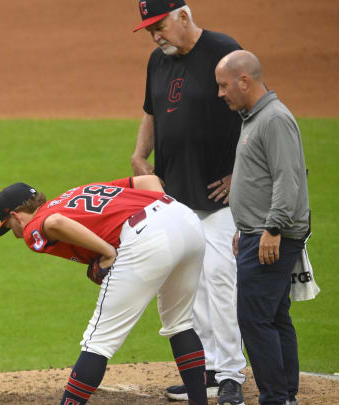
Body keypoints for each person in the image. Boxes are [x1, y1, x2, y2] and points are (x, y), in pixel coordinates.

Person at [0, 175, 209, 405]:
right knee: (179, 323)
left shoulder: (34, 224)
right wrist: (163, 219)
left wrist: (108, 253)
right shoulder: (75, 192)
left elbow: (55, 223)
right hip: (185, 220)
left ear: (15, 215)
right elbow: (148, 180)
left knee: (97, 343)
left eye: (9, 227)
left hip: (146, 237)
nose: (15, 234)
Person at [131, 1, 247, 403]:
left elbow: (253, 112)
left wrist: (241, 173)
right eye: (149, 30)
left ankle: (232, 373)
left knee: (220, 280)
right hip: (175, 194)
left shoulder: (222, 50)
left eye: (159, 25)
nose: (155, 35)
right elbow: (152, 112)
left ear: (183, 16)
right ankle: (210, 368)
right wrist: (139, 155)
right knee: (191, 284)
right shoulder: (157, 61)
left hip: (219, 194)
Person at [216, 50, 310, 405]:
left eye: (224, 85)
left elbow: (289, 180)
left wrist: (271, 228)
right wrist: (247, 227)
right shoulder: (254, 116)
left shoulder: (273, 119)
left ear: (245, 80)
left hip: (271, 236)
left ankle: (275, 398)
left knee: (255, 319)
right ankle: (285, 395)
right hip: (258, 232)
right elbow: (262, 178)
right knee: (273, 315)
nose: (220, 93)